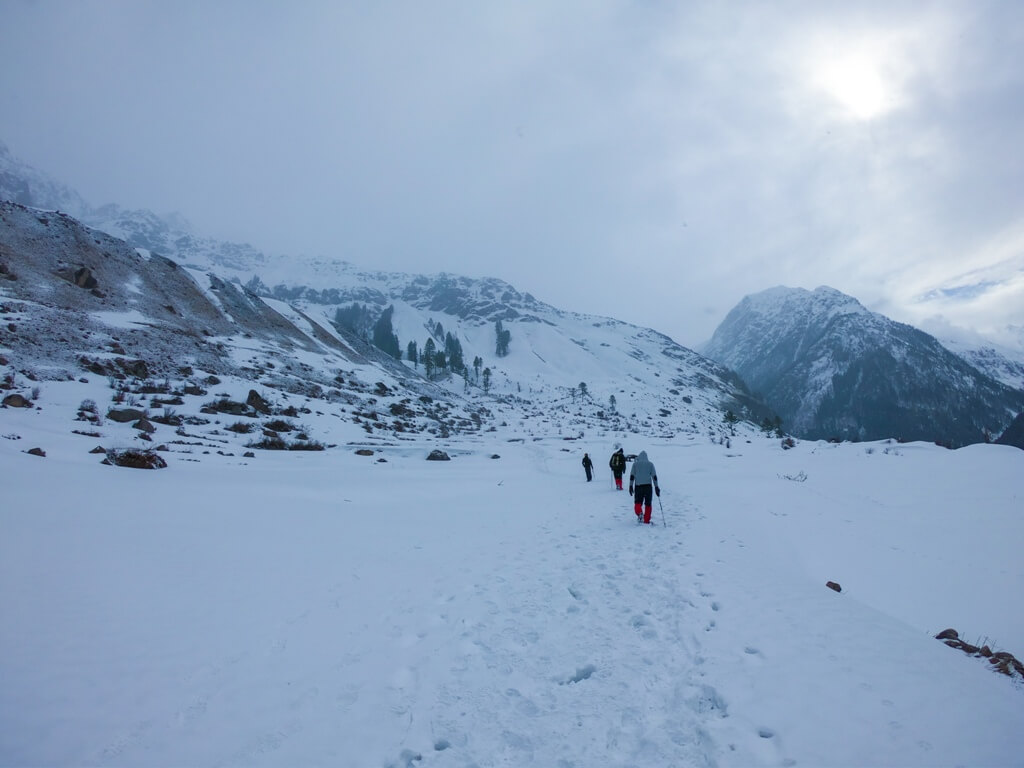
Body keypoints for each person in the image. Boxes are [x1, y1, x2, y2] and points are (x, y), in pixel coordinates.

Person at [629, 450, 660, 524]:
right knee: (648, 504)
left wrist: (630, 485)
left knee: (638, 502)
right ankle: (646, 520)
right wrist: (656, 487)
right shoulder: (650, 464)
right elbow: (654, 476)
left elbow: (632, 476)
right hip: (648, 487)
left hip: (638, 486)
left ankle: (639, 513)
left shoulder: (635, 464)